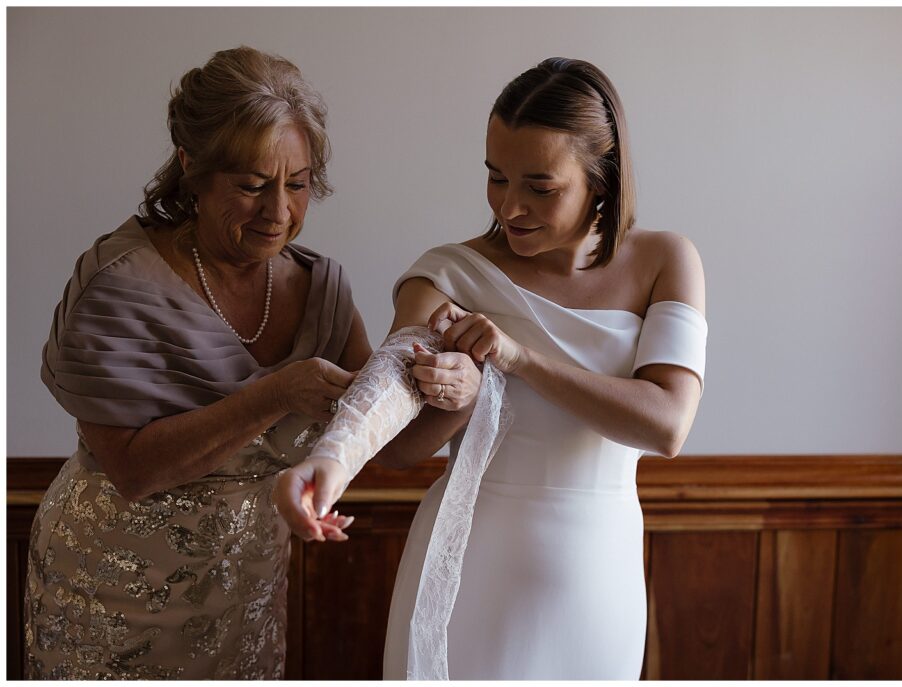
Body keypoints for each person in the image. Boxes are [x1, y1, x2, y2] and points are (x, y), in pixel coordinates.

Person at [25, 46, 481, 680]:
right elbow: (131, 469)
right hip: (112, 584)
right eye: (251, 185)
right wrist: (275, 395)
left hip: (247, 582)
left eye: (296, 185)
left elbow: (392, 449)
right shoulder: (119, 283)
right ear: (191, 166)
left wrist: (459, 391)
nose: (278, 212)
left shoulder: (321, 290)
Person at [274, 57, 707, 679]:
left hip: (597, 577)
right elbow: (390, 390)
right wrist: (331, 462)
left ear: (601, 179)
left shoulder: (667, 260)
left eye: (540, 187)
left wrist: (519, 358)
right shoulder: (449, 271)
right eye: (495, 177)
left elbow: (667, 425)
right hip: (466, 566)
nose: (510, 207)